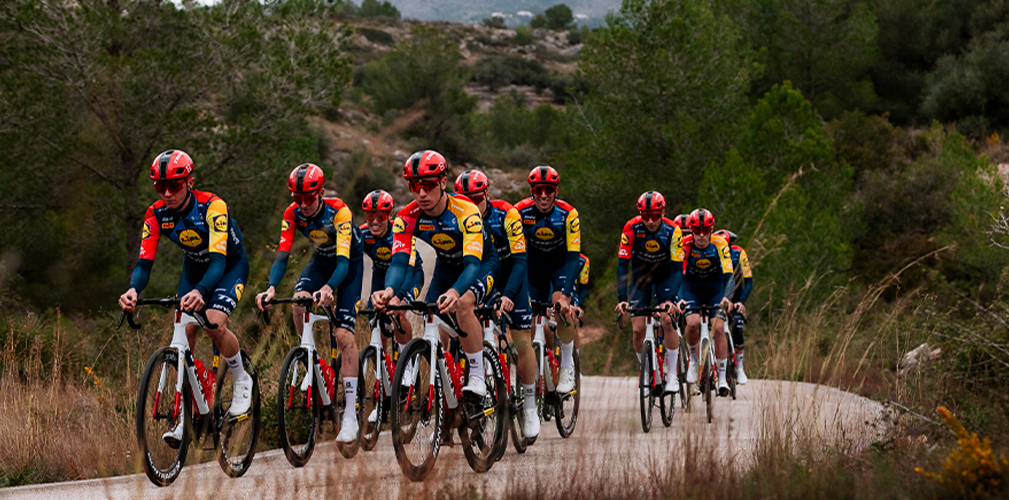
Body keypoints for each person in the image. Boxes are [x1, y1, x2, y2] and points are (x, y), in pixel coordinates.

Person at [119, 150, 253, 448]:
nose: (166, 193)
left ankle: (242, 378)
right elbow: (144, 265)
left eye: (174, 186)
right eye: (159, 186)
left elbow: (218, 264)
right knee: (183, 333)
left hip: (228, 266)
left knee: (213, 324)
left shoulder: (213, 206)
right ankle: (184, 415)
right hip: (193, 269)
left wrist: (202, 292)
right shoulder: (156, 214)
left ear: (190, 182)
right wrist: (132, 291)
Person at [371, 151, 500, 399]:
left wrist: (454, 291)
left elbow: (473, 265)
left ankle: (476, 375)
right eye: (414, 186)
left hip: (481, 263)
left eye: (428, 185)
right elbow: (398, 263)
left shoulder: (466, 210)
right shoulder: (406, 216)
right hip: (446, 266)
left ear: (442, 182)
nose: (421, 193)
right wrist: (389, 291)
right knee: (432, 315)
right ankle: (445, 391)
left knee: (462, 304)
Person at [255, 163, 364, 443]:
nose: (302, 204)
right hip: (319, 262)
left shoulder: (339, 212)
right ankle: (310, 358)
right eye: (297, 198)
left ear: (321, 193)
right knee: (298, 302)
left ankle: (350, 416)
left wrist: (329, 288)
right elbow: (282, 255)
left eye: (309, 198)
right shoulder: (292, 214)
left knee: (342, 335)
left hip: (347, 265)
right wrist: (269, 289)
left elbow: (342, 263)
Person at [454, 169, 539, 438]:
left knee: (522, 340)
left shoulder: (507, 214)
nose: (472, 205)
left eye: (477, 199)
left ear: (487, 195)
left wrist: (510, 294)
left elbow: (520, 260)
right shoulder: (456, 218)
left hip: (511, 274)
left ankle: (530, 405)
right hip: (481, 275)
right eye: (466, 199)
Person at [514, 166, 581, 394]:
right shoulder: (520, 211)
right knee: (533, 324)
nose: (544, 195)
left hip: (560, 266)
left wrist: (566, 296)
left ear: (556, 191)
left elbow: (573, 258)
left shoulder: (568, 214)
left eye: (549, 190)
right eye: (539, 190)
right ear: (532, 191)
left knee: (561, 310)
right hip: (533, 269)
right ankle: (540, 376)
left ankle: (566, 366)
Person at [614, 191, 682, 393]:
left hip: (665, 276)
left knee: (668, 320)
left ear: (662, 212)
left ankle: (672, 375)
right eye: (646, 216)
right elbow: (621, 265)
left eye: (655, 216)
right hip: (640, 278)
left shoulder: (673, 230)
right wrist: (622, 299)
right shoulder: (631, 228)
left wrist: (670, 300)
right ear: (640, 214)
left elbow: (679, 269)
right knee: (637, 330)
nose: (651, 221)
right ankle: (648, 370)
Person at [670, 208, 734, 396]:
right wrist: (679, 298)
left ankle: (722, 378)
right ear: (690, 230)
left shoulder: (720, 243)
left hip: (715, 290)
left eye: (705, 230)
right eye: (696, 230)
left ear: (711, 228)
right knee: (692, 324)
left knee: (719, 328)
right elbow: (678, 274)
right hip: (692, 289)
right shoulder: (685, 244)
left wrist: (727, 298)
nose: (700, 235)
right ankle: (694, 361)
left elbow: (729, 274)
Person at [714, 229, 752, 384]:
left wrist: (741, 302)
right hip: (717, 296)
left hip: (735, 297)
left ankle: (740, 367)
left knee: (737, 326)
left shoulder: (739, 253)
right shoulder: (711, 253)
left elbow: (748, 281)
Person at [573, 253, 590, 319]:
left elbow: (584, 287)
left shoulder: (584, 260)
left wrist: (578, 305)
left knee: (574, 314)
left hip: (571, 293)